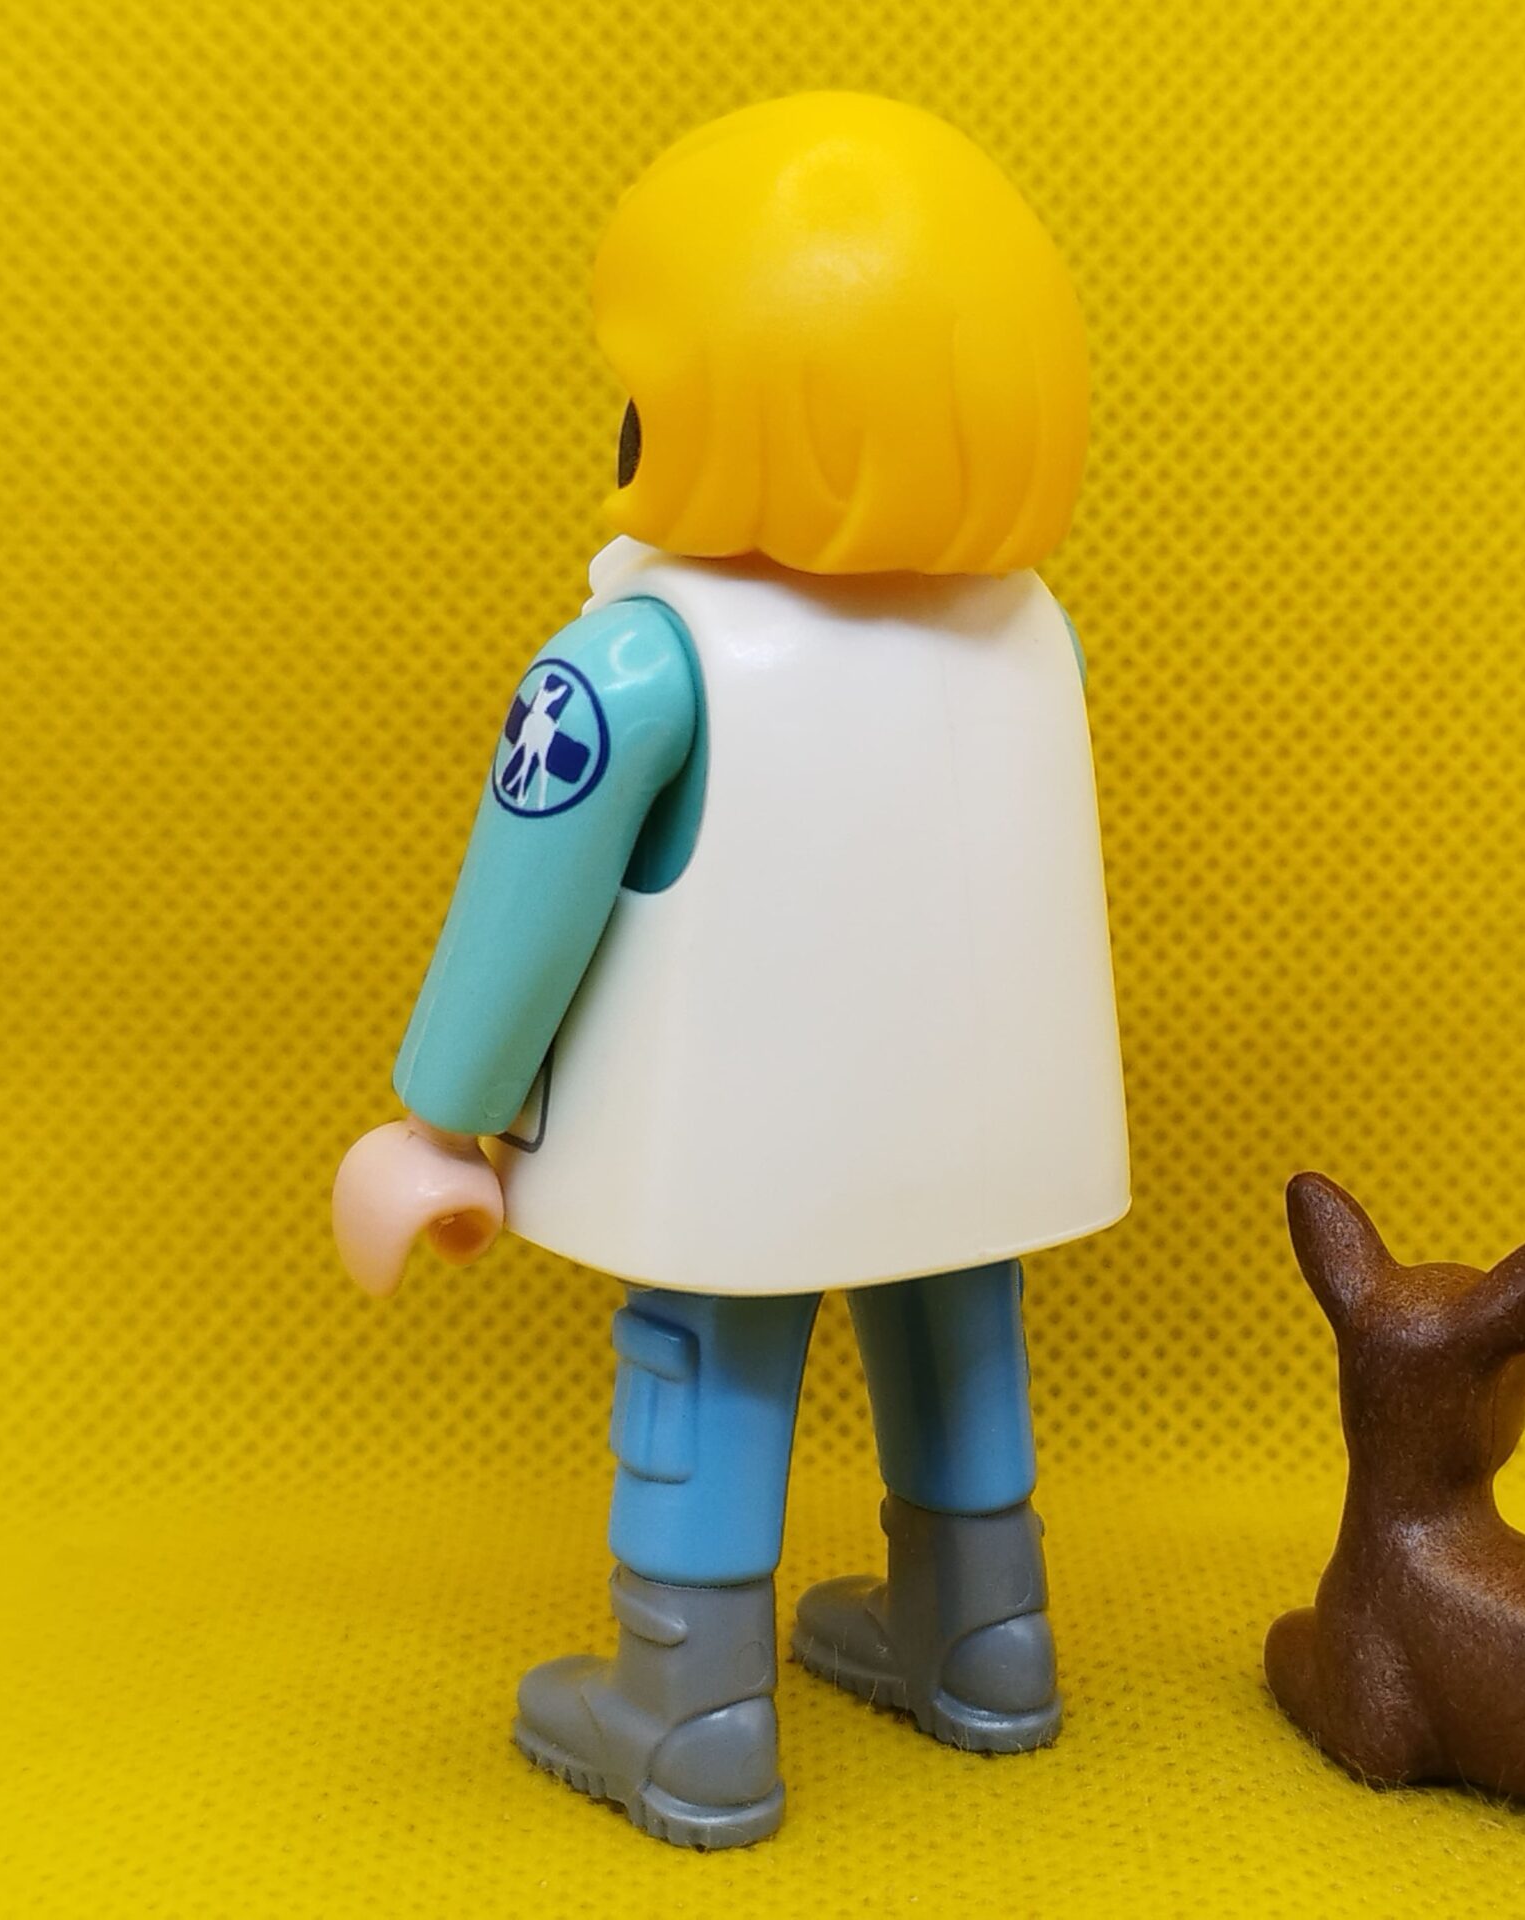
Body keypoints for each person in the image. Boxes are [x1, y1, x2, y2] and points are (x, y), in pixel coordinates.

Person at [330, 92, 1129, 1850]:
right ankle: (987, 1637)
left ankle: (687, 1710)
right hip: (981, 1124)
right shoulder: (1031, 635)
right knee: (958, 1313)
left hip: (748, 1141)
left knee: (708, 1349)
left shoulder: (634, 664)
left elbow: (523, 904)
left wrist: (440, 1117)